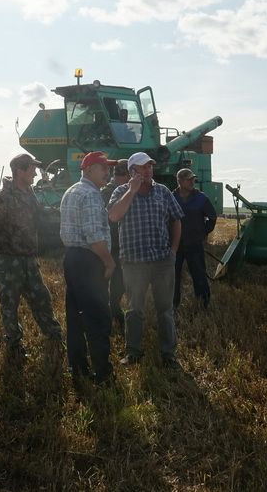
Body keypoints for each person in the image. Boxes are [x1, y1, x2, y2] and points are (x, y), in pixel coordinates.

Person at [0, 153, 63, 358]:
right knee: (9, 304)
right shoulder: (3, 198)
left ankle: (54, 335)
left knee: (41, 298)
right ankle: (14, 344)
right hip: (8, 260)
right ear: (20, 171)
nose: (35, 173)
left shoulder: (29, 193)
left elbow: (38, 217)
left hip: (28, 258)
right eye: (32, 169)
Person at [108, 152, 184, 369]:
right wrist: (131, 190)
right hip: (134, 262)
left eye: (150, 166)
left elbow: (176, 219)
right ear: (132, 171)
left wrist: (173, 251)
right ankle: (133, 352)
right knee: (134, 309)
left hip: (162, 261)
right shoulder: (121, 191)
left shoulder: (163, 191)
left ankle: (169, 354)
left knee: (165, 309)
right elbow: (113, 216)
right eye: (143, 167)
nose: (148, 170)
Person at [59, 151, 116, 384]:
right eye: (104, 168)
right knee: (98, 317)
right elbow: (94, 237)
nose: (108, 172)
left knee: (75, 316)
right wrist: (109, 262)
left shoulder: (71, 191)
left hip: (72, 258)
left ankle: (78, 366)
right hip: (90, 260)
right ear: (90, 169)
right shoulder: (91, 195)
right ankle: (103, 373)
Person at [172, 168, 217, 310]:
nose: (192, 181)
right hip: (175, 244)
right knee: (173, 277)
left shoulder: (201, 198)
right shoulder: (171, 197)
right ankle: (173, 305)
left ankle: (204, 305)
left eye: (193, 179)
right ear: (179, 181)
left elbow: (212, 217)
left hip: (194, 244)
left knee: (199, 275)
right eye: (189, 179)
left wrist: (203, 232)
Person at [100, 159, 129, 335]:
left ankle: (112, 309)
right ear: (125, 175)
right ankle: (111, 312)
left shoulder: (105, 191)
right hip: (111, 245)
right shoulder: (107, 193)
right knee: (110, 281)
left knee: (117, 282)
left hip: (115, 244)